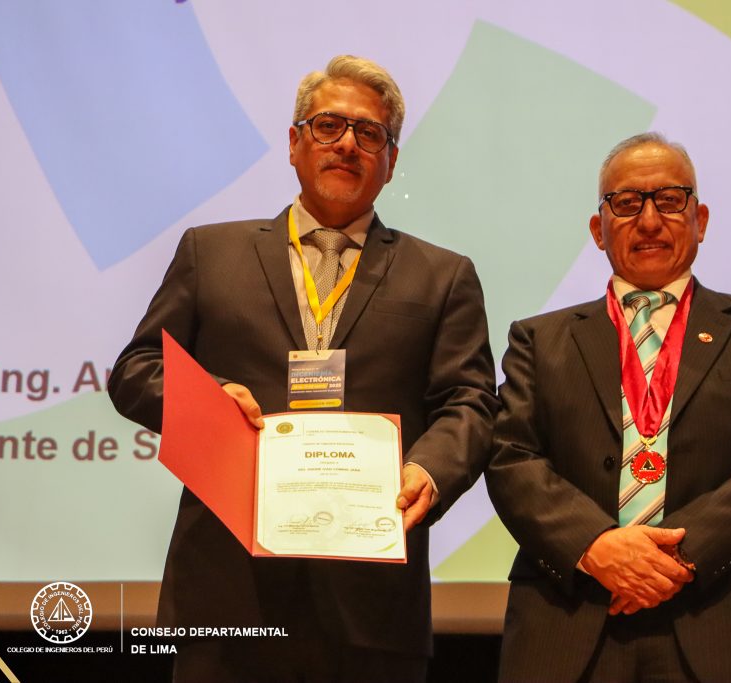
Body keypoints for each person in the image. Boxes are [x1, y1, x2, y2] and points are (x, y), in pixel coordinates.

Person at [108, 55, 497, 682]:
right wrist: (209, 397)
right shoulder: (211, 252)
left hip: (372, 603)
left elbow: (470, 400)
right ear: (294, 143)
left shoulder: (442, 275)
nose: (347, 144)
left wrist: (430, 468)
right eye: (328, 126)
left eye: (369, 133)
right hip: (228, 592)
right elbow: (135, 369)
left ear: (391, 159)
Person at [485, 132, 731, 683]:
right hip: (573, 623)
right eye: (626, 203)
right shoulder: (538, 340)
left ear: (700, 220)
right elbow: (510, 457)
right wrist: (595, 545)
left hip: (730, 619)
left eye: (669, 200)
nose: (648, 221)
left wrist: (675, 557)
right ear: (598, 229)